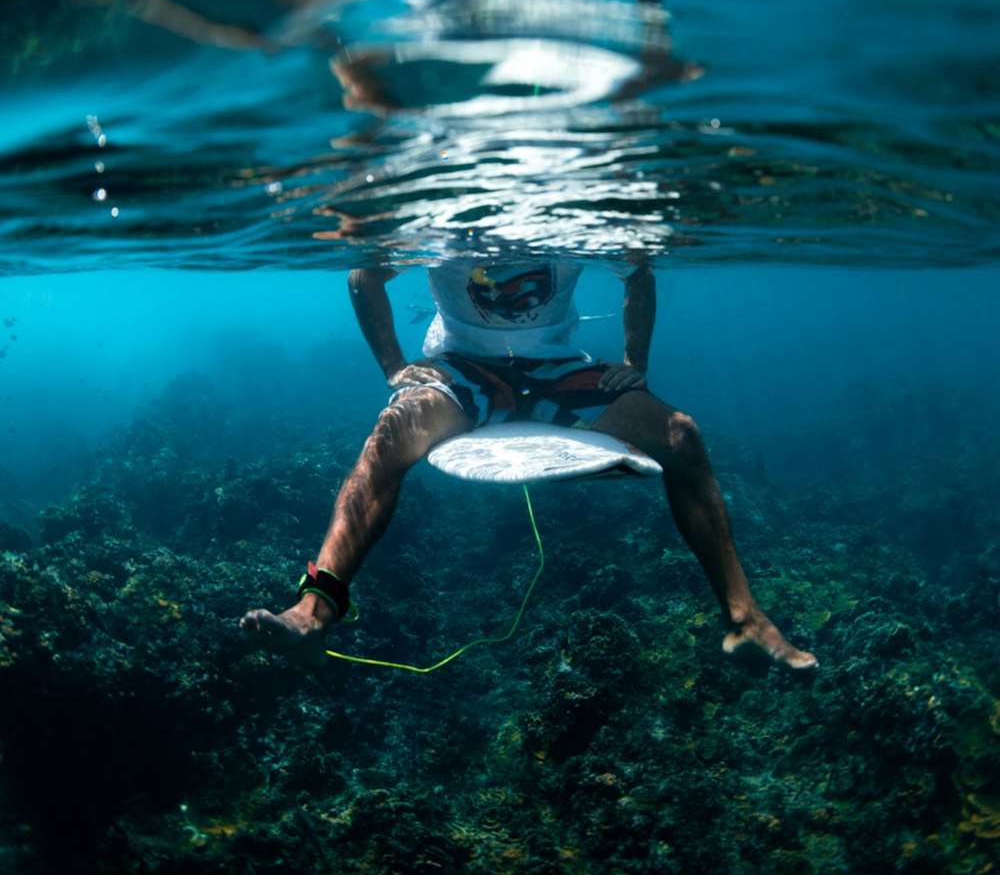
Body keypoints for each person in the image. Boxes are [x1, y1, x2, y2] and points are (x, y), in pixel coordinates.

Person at [241, 258, 818, 673]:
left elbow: (638, 268)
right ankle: (314, 613)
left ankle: (744, 618)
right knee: (387, 442)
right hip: (460, 369)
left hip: (556, 369)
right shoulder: (440, 203)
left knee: (681, 437)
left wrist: (635, 363)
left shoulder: (578, 198)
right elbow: (365, 272)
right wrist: (395, 367)